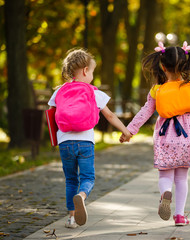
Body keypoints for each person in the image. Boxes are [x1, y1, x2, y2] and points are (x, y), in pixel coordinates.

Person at [122, 41, 190, 226]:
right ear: (185, 65)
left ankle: (165, 193)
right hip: (188, 138)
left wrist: (130, 131)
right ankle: (179, 216)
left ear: (162, 65)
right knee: (182, 178)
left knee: (165, 175)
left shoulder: (158, 90)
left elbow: (145, 112)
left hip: (165, 137)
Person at [48, 48, 131, 229]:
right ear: (85, 70)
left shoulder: (59, 91)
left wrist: (53, 138)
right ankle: (82, 196)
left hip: (64, 143)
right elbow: (109, 116)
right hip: (85, 142)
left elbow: (49, 115)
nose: (92, 75)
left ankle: (71, 219)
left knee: (71, 180)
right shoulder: (93, 92)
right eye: (92, 71)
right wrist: (125, 131)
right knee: (87, 178)